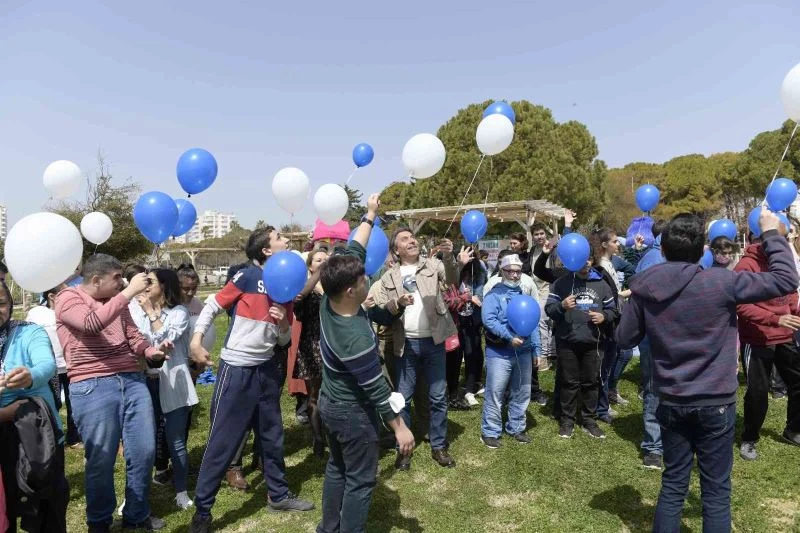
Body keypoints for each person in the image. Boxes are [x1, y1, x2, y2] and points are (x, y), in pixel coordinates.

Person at [616, 210, 798, 532]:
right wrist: (771, 234)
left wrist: (638, 310)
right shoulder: (721, 281)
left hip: (671, 399)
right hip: (714, 401)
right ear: (703, 249)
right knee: (715, 492)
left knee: (673, 484)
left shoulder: (647, 287)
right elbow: (786, 279)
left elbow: (624, 338)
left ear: (664, 249)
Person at [189, 226, 314, 533]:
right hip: (237, 370)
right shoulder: (246, 277)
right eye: (280, 238)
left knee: (272, 437)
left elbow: (283, 340)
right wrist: (195, 341)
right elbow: (213, 306)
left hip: (267, 371)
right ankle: (203, 511)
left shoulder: (285, 282)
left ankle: (278, 494)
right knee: (222, 440)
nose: (286, 240)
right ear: (267, 251)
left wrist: (283, 321)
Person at [316, 194, 415, 533]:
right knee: (360, 480)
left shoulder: (330, 302)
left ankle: (327, 528)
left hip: (329, 405)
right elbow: (376, 389)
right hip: (351, 413)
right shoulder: (355, 337)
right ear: (349, 291)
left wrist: (370, 215)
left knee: (337, 468)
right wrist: (400, 428)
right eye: (362, 281)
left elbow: (353, 250)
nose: (367, 281)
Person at [55, 254, 169, 532]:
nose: (123, 283)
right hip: (91, 384)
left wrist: (151, 351)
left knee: (144, 451)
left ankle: (136, 514)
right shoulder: (68, 298)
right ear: (96, 280)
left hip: (132, 379)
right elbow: (92, 323)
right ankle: (100, 522)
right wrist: (129, 293)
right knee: (101, 459)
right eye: (117, 278)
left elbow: (132, 335)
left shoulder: (119, 302)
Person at [372, 229, 472, 470]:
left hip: (434, 342)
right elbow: (384, 308)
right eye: (405, 239)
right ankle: (403, 449)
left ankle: (439, 446)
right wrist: (398, 303)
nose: (412, 240)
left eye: (413, 237)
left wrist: (450, 259)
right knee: (403, 399)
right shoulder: (389, 276)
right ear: (396, 250)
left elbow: (451, 281)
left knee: (438, 396)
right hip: (405, 345)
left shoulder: (433, 264)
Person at [0, 281, 69, 532]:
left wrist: (30, 375)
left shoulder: (29, 332)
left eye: (2, 303)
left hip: (37, 436)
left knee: (47, 510)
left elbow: (46, 364)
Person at [130, 269, 198, 510]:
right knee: (140, 442)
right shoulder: (134, 309)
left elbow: (166, 337)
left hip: (173, 381)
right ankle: (134, 496)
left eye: (151, 282)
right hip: (143, 381)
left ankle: (181, 490)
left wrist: (151, 312)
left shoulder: (178, 312)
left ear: (165, 286)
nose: (145, 285)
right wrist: (145, 312)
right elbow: (132, 340)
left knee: (176, 440)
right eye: (144, 281)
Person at [734, 222, 800, 461]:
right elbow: (741, 304)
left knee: (797, 382)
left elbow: (791, 291)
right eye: (779, 239)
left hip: (785, 335)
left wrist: (794, 313)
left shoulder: (781, 260)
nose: (784, 243)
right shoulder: (746, 265)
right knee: (758, 392)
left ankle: (793, 430)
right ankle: (749, 439)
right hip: (757, 338)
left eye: (785, 239)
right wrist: (775, 318)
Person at [545, 244, 618, 440]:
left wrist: (604, 316)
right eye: (581, 259)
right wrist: (561, 306)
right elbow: (549, 310)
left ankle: (589, 420)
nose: (585, 263)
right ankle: (567, 421)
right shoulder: (561, 283)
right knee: (569, 382)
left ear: (592, 260)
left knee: (591, 382)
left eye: (588, 259)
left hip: (593, 341)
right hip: (567, 341)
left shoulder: (602, 284)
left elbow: (613, 310)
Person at [480, 254, 540, 448]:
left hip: (523, 351)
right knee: (495, 393)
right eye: (510, 271)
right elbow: (489, 320)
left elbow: (533, 323)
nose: (514, 275)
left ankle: (516, 427)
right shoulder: (493, 294)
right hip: (499, 353)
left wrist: (536, 349)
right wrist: (508, 336)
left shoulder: (524, 294)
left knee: (522, 391)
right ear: (502, 271)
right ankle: (490, 431)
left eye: (517, 271)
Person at [25, 284, 81, 448]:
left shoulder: (71, 312)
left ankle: (74, 436)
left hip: (70, 366)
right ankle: (53, 435)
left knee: (73, 403)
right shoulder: (37, 313)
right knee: (53, 402)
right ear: (51, 297)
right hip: (50, 369)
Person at [631, 220, 667, 470]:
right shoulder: (654, 260)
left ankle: (669, 441)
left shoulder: (676, 260)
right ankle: (653, 446)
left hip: (673, 337)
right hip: (656, 338)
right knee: (655, 391)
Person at [293, 247, 330, 458]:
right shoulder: (304, 288)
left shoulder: (334, 285)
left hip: (333, 346)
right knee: (314, 395)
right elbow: (298, 300)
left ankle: (333, 433)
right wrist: (317, 277)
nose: (323, 263)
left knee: (334, 394)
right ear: (310, 266)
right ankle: (317, 437)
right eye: (318, 260)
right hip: (312, 346)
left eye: (327, 259)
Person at [445, 256, 486, 409]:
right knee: (454, 357)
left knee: (471, 353)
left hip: (472, 321)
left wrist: (472, 298)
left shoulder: (479, 275)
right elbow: (449, 298)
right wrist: (466, 297)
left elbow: (479, 297)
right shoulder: (452, 277)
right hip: (455, 322)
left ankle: (470, 388)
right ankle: (452, 391)